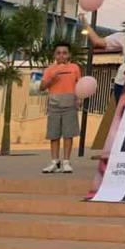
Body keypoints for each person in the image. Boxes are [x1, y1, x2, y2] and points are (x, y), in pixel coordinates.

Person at [40, 42, 82, 174]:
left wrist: (79, 98)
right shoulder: (49, 70)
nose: (61, 55)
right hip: (54, 104)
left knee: (68, 134)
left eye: (64, 53)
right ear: (54, 55)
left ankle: (66, 162)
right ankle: (54, 162)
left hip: (70, 103)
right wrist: (51, 78)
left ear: (69, 54)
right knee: (54, 134)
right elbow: (41, 87)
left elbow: (79, 84)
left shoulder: (74, 68)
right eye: (58, 53)